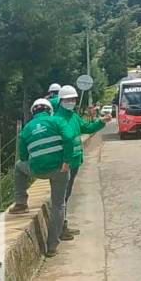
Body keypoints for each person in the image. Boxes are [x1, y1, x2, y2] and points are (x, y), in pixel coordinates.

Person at [10, 98, 74, 257]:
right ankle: (52, 246)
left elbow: (23, 157)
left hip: (38, 170)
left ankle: (21, 202)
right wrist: (66, 160)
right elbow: (69, 138)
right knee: (58, 206)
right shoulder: (57, 121)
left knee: (18, 166)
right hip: (60, 169)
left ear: (33, 112)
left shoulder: (26, 129)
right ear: (49, 110)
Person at [55, 85, 111, 239]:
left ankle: (63, 226)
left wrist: (101, 121)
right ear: (61, 101)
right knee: (63, 197)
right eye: (67, 99)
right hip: (64, 164)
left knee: (67, 194)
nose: (71, 102)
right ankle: (60, 229)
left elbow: (87, 127)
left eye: (73, 99)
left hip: (74, 161)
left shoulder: (73, 116)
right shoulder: (57, 119)